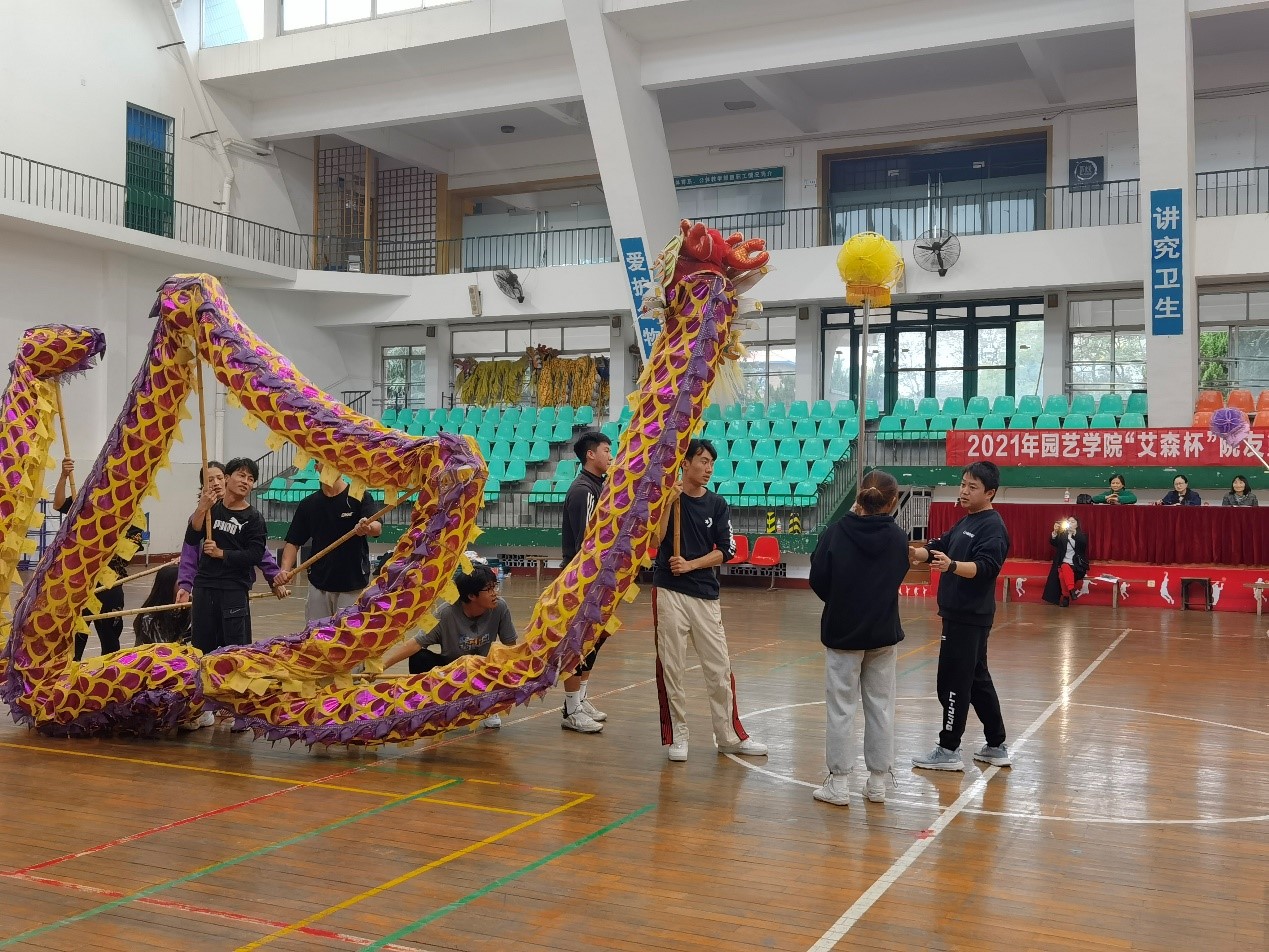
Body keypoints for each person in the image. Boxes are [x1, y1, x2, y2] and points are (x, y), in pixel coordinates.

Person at [651, 438, 767, 762]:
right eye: (703, 461)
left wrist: (691, 564)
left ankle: (728, 736)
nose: (708, 468)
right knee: (672, 667)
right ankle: (678, 736)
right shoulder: (667, 498)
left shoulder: (717, 504)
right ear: (685, 463)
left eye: (711, 463)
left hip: (704, 593)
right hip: (669, 591)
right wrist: (665, 504)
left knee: (719, 668)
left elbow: (726, 550)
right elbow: (655, 539)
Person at [808, 469, 910, 806]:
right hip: (882, 632)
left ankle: (839, 784)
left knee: (841, 709)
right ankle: (878, 781)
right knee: (881, 707)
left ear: (859, 498)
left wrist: (840, 601)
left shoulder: (836, 532)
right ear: (892, 502)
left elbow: (818, 578)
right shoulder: (898, 538)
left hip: (842, 633)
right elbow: (897, 575)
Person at [909, 460, 1012, 772]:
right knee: (977, 680)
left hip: (968, 616)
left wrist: (952, 566)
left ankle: (949, 748)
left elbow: (986, 568)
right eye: (963, 484)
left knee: (953, 682)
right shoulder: (967, 521)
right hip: (960, 615)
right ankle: (996, 744)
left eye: (972, 487)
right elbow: (939, 546)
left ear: (990, 492)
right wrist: (915, 553)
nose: (964, 491)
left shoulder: (993, 527)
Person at [375, 564, 516, 729]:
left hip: (482, 671)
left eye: (495, 587)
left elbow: (510, 646)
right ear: (471, 595)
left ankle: (489, 705)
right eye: (489, 589)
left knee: (502, 656)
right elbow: (415, 643)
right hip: (451, 672)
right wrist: (382, 667)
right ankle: (429, 707)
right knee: (420, 658)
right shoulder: (446, 613)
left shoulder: (499, 607)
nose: (495, 593)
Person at [54, 458, 144, 661]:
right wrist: (63, 476)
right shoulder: (87, 502)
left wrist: (101, 539)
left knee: (110, 643)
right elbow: (58, 504)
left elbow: (128, 550)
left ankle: (109, 676)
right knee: (75, 642)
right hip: (82, 582)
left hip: (110, 584)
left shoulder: (131, 512)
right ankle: (71, 676)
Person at [558, 430, 613, 734]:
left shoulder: (598, 486)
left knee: (594, 639)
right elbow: (588, 543)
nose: (610, 456)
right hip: (581, 581)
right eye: (606, 450)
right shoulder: (584, 491)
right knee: (576, 643)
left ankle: (580, 698)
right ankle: (571, 709)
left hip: (596, 580)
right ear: (590, 455)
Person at [184, 457, 267, 655]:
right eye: (241, 475)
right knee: (201, 648)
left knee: (234, 651)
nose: (245, 481)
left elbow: (255, 555)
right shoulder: (212, 509)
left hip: (233, 589)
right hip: (205, 587)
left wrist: (222, 554)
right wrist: (202, 507)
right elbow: (192, 538)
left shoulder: (254, 518)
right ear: (227, 478)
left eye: (250, 479)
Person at [176, 461, 287, 605]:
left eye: (219, 478)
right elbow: (189, 551)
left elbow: (259, 552)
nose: (216, 483)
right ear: (203, 486)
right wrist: (185, 585)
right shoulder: (200, 516)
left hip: (236, 586)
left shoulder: (250, 516)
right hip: (206, 586)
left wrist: (274, 578)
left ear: (227, 478)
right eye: (210, 480)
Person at [276, 475, 382, 622]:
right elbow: (293, 542)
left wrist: (367, 527)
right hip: (318, 583)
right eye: (323, 463)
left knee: (347, 635)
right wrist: (285, 570)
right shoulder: (309, 504)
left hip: (353, 583)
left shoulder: (359, 495)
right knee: (316, 634)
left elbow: (377, 528)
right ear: (316, 467)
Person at [133, 565, 191, 646]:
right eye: (182, 582)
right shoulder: (150, 617)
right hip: (157, 652)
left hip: (177, 650)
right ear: (169, 586)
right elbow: (163, 648)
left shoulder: (187, 605)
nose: (186, 586)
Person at [1043, 516, 1088, 608]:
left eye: (1073, 522)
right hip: (1063, 563)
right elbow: (1053, 542)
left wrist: (1074, 533)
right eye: (1069, 522)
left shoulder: (1081, 535)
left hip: (1076, 566)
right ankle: (1071, 591)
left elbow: (1083, 544)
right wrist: (1055, 532)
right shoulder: (1063, 535)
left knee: (1063, 571)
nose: (1070, 523)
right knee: (1062, 571)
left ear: (1077, 525)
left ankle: (1066, 597)